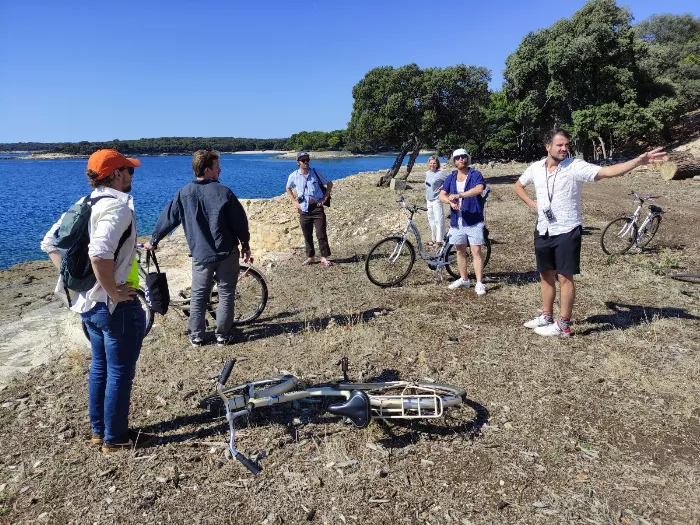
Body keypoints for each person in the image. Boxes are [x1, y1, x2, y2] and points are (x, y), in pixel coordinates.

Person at [40, 149, 154, 452]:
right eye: (129, 171)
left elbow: (50, 242)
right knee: (118, 372)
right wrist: (112, 290)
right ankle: (115, 439)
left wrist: (79, 283)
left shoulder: (84, 203)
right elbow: (99, 253)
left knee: (101, 367)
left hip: (87, 306)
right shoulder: (117, 208)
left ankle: (100, 431)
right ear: (115, 174)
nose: (131, 176)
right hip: (113, 307)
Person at [514, 128, 666, 337]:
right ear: (547, 146)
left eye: (567, 145)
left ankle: (563, 325)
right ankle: (547, 315)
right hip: (543, 228)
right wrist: (533, 205)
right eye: (559, 145)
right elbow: (518, 186)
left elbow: (607, 172)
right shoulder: (536, 168)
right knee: (545, 274)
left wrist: (637, 162)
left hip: (567, 228)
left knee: (565, 277)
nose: (564, 148)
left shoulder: (575, 167)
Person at [144, 150, 252, 347]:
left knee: (199, 295)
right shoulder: (224, 192)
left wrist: (154, 239)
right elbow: (240, 222)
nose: (220, 169)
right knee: (226, 294)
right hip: (226, 252)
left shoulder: (184, 193)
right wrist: (245, 244)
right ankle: (222, 335)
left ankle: (197, 336)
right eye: (217, 166)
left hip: (201, 255)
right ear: (207, 169)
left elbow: (168, 218)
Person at [439, 148, 487, 295]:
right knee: (460, 251)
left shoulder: (475, 174)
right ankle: (464, 279)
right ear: (454, 161)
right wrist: (450, 202)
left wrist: (460, 195)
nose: (461, 159)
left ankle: (479, 283)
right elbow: (442, 195)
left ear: (467, 159)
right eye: (457, 157)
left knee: (476, 251)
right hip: (456, 220)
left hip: (473, 219)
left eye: (463, 157)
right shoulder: (451, 177)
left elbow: (479, 189)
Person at [286, 152, 334, 266]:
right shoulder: (294, 175)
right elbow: (288, 187)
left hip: (317, 208)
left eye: (307, 159)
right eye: (303, 160)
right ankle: (310, 257)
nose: (306, 162)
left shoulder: (315, 172)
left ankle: (324, 258)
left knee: (321, 233)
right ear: (298, 162)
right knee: (307, 234)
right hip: (304, 209)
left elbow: (329, 184)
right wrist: (294, 201)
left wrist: (325, 198)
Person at [424, 155, 447, 246]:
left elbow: (449, 180)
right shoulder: (427, 173)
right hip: (429, 199)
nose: (432, 165)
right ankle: (433, 239)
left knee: (438, 220)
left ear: (437, 164)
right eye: (431, 163)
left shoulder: (441, 173)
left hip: (437, 199)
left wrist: (443, 187)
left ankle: (440, 241)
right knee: (431, 220)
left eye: (434, 163)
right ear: (428, 163)